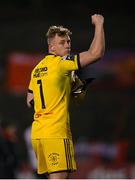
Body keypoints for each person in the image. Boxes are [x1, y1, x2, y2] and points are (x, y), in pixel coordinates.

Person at [27, 14, 105, 179]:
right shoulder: (61, 64)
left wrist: (65, 90)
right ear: (51, 47)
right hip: (56, 132)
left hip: (39, 133)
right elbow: (96, 53)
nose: (67, 45)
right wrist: (99, 24)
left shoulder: (37, 69)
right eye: (62, 42)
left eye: (68, 41)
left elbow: (30, 101)